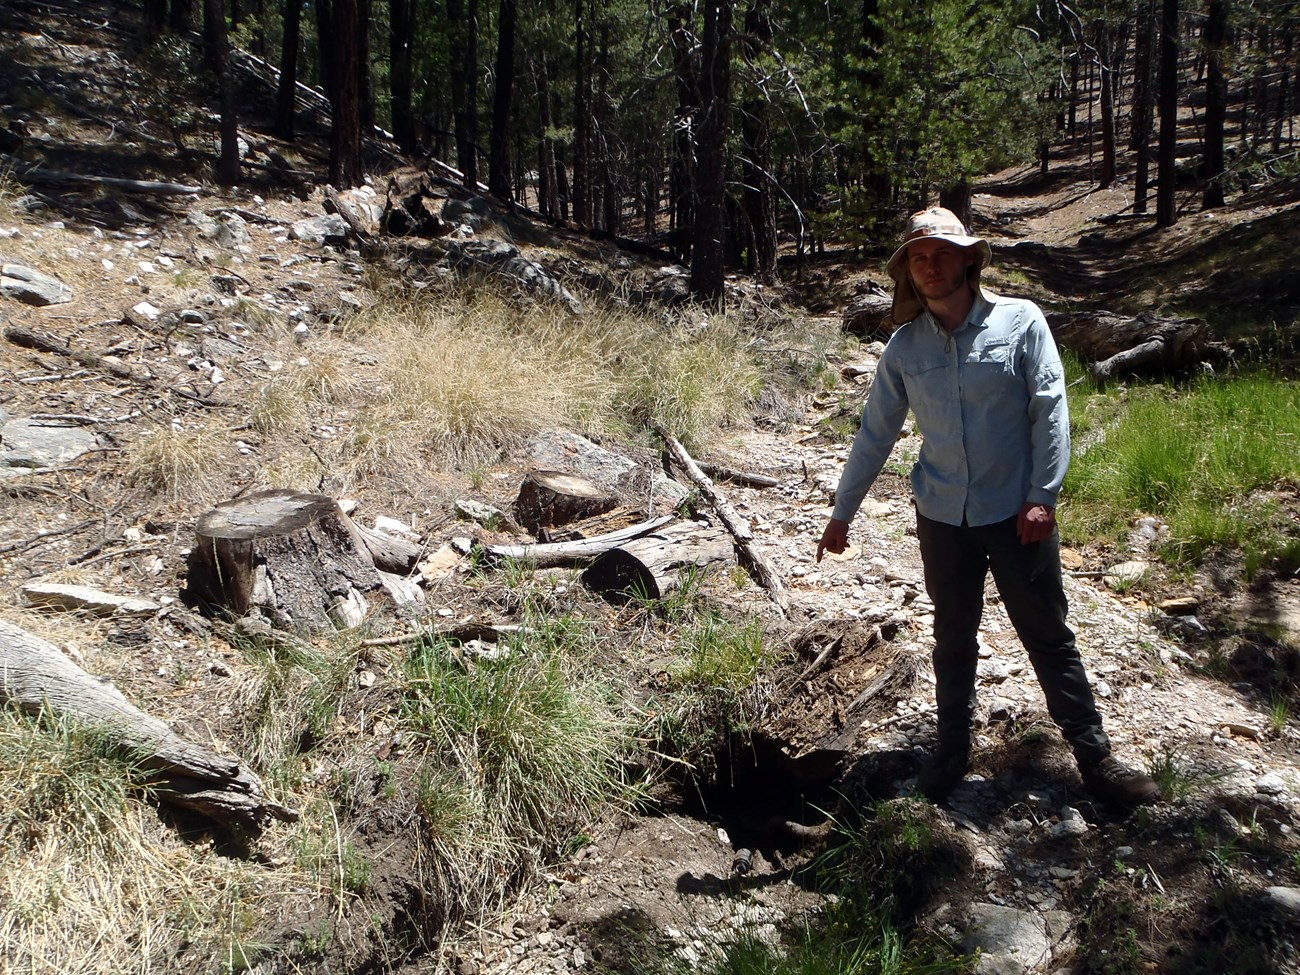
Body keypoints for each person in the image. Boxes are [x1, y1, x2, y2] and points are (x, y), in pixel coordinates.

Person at [816, 206, 1159, 809]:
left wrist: (1043, 495)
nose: (930, 266)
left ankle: (1096, 758)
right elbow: (876, 432)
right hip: (942, 515)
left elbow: (1049, 409)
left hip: (1015, 512)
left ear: (969, 258)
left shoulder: (1020, 322)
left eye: (942, 253)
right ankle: (951, 754)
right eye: (918, 257)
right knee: (952, 636)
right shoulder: (904, 346)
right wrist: (844, 511)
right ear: (908, 271)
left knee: (1047, 634)